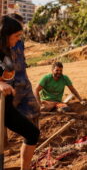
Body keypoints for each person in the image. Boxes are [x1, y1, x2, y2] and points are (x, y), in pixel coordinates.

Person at [0, 15, 40, 170]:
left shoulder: (8, 51)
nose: (18, 40)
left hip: (6, 105)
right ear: (5, 34)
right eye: (16, 36)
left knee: (32, 133)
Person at [7, 14, 40, 126]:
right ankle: (5, 141)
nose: (20, 29)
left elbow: (22, 60)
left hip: (24, 82)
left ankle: (34, 138)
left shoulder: (20, 42)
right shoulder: (4, 44)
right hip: (11, 85)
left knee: (35, 110)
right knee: (8, 115)